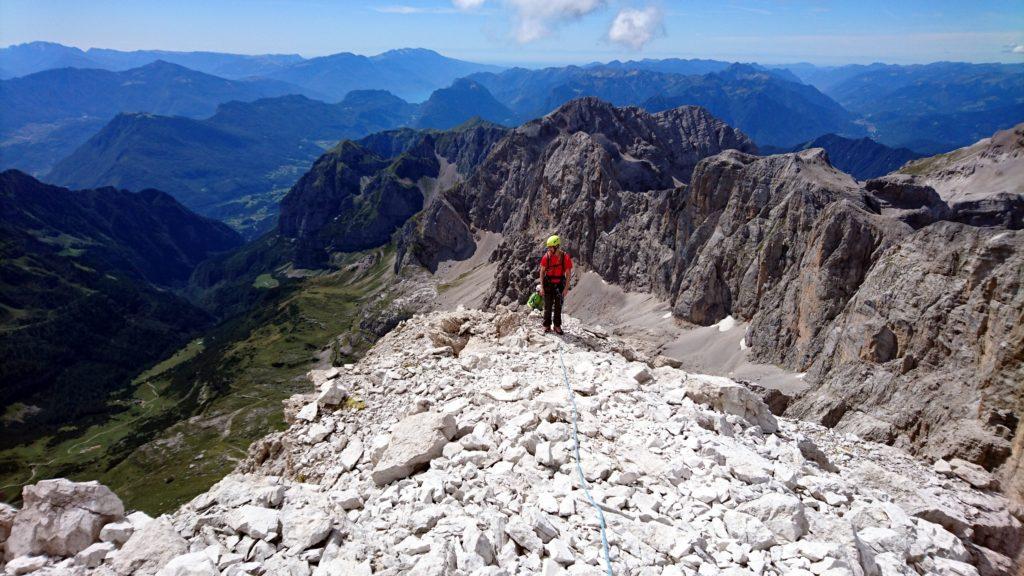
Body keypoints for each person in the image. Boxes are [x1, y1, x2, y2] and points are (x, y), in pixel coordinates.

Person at [539, 235, 572, 334]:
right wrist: (542, 287)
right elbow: (542, 272)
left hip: (559, 284)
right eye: (548, 247)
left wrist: (566, 288)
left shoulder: (565, 257)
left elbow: (568, 273)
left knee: (558, 306)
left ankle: (557, 326)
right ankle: (546, 325)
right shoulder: (546, 257)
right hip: (548, 283)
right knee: (548, 306)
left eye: (550, 247)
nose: (549, 249)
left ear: (557, 246)